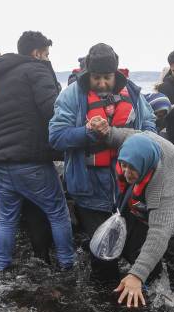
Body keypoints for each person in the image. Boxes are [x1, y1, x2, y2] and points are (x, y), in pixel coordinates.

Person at [49, 43, 156, 281]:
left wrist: (141, 146)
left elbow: (150, 126)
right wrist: (86, 131)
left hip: (128, 189)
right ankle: (103, 295)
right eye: (96, 78)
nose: (102, 83)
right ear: (88, 74)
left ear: (116, 75)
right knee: (104, 256)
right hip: (89, 189)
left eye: (107, 78)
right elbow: (56, 137)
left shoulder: (135, 94)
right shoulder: (70, 96)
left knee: (135, 249)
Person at [0, 30, 75, 271]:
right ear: (37, 53)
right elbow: (52, 110)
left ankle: (0, 267)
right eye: (47, 54)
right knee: (58, 211)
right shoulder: (37, 69)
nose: (48, 58)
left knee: (7, 218)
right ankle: (67, 265)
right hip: (29, 158)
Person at [94, 130, 174, 307]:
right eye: (123, 165)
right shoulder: (143, 141)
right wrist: (107, 132)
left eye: (132, 168)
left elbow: (160, 233)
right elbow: (125, 135)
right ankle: (156, 278)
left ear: (146, 164)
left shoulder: (165, 186)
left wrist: (137, 275)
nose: (126, 174)